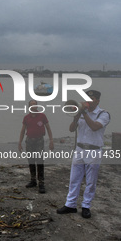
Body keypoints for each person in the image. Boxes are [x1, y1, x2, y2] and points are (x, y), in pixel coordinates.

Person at [57, 90, 110, 218]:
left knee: (91, 181)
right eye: (87, 98)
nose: (88, 101)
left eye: (91, 99)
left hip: (94, 150)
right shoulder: (81, 114)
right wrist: (76, 116)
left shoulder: (103, 114)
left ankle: (86, 206)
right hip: (80, 149)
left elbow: (94, 127)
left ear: (97, 100)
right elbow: (71, 129)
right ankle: (70, 204)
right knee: (74, 178)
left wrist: (84, 112)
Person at [18, 100, 54, 193]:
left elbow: (48, 128)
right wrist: (19, 142)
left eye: (35, 105)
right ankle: (33, 180)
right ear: (28, 107)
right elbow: (22, 130)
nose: (33, 106)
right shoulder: (26, 117)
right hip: (29, 141)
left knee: (40, 161)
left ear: (37, 106)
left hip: (39, 141)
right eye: (31, 105)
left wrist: (51, 141)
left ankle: (41, 183)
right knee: (31, 161)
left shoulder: (42, 116)